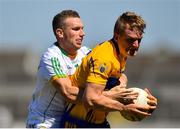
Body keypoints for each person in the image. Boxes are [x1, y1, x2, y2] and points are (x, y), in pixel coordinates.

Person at [26, 10, 137, 128]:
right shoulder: (52, 57)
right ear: (60, 33)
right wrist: (110, 96)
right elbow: (68, 93)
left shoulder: (87, 53)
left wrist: (122, 86)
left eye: (82, 28)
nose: (82, 33)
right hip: (46, 122)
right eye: (76, 29)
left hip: (73, 121)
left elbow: (115, 74)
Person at [60, 11, 158, 128]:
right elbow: (90, 99)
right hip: (77, 123)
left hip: (97, 124)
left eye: (139, 40)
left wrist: (145, 102)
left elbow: (116, 80)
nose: (136, 45)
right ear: (117, 36)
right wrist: (123, 107)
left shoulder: (120, 53)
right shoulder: (104, 58)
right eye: (131, 40)